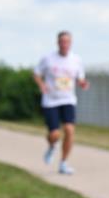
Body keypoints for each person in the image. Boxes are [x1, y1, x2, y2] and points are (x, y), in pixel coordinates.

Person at [34, 31, 89, 175]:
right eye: (62, 42)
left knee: (70, 130)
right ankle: (52, 145)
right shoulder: (48, 59)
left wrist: (82, 83)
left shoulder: (76, 60)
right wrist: (41, 85)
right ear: (57, 43)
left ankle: (63, 163)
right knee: (55, 134)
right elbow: (36, 73)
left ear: (70, 43)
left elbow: (80, 78)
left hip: (68, 99)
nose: (64, 44)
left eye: (67, 42)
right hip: (51, 100)